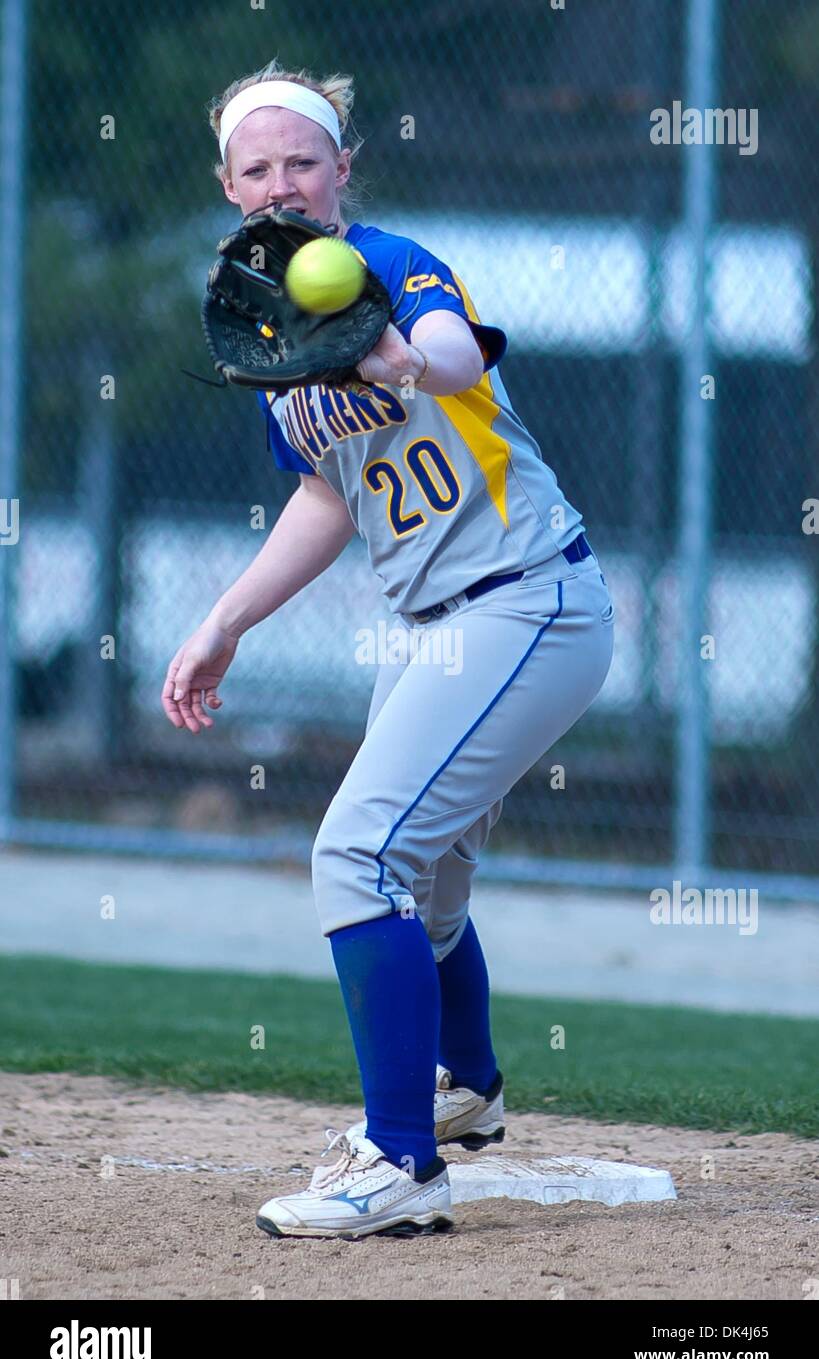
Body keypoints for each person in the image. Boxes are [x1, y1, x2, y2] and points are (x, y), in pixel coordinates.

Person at [162, 58, 615, 1240]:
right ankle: (465, 1084)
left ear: (342, 171)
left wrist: (406, 356)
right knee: (422, 882)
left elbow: (460, 353)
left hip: (522, 602)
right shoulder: (265, 328)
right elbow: (329, 499)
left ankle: (401, 1162)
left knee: (355, 857)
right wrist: (223, 623)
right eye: (256, 167)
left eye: (302, 159)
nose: (282, 182)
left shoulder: (394, 265)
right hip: (426, 631)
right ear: (229, 187)